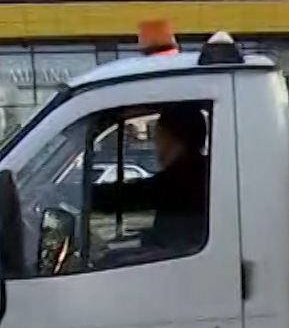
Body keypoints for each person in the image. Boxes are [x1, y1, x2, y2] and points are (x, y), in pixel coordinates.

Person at [90, 104, 210, 258]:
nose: (156, 145)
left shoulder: (184, 179)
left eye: (159, 135)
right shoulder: (200, 172)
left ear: (176, 138)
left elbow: (129, 196)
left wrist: (76, 194)